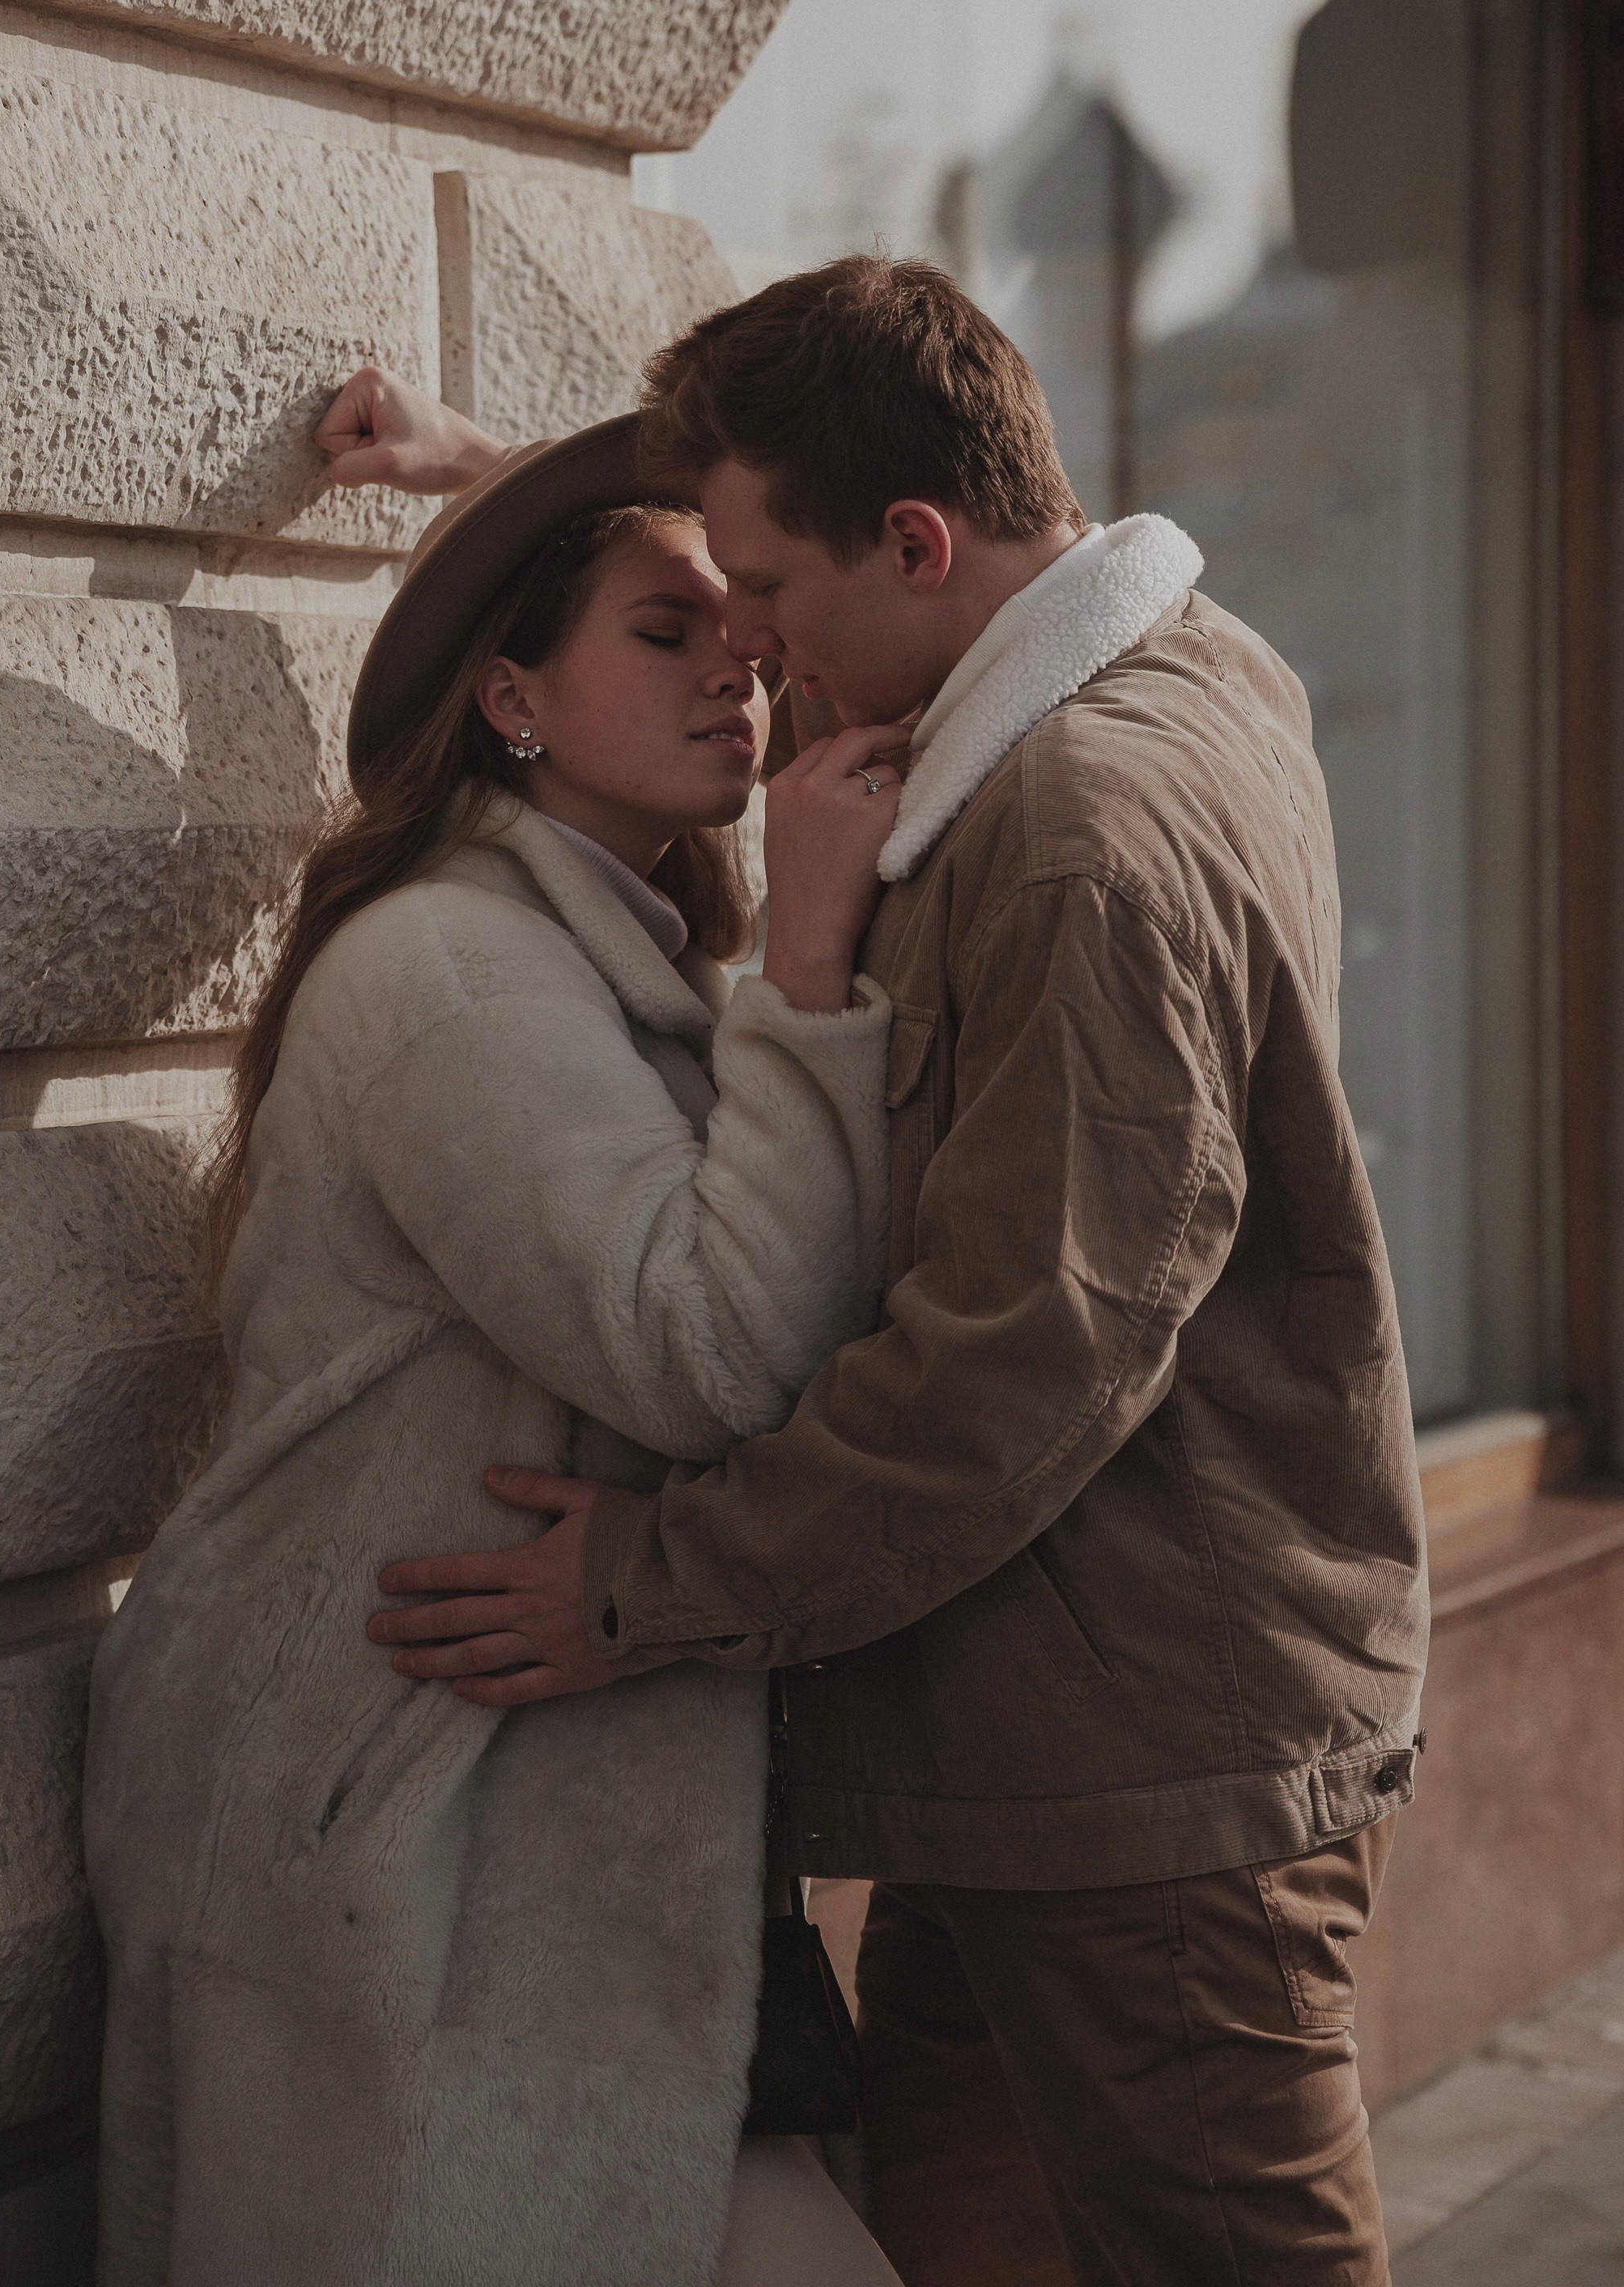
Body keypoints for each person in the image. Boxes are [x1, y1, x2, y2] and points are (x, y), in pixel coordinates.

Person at [355, 257, 1431, 2287]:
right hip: (1036, 1747)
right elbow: (836, 483)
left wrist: (645, 1585)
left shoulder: (1072, 832)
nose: (751, 655)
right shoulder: (1179, 658)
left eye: (766, 597)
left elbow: (1016, 1364)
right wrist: (493, 491)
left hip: (1148, 1792)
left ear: (922, 543)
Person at [83, 414, 911, 2286]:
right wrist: (804, 972)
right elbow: (704, 1351)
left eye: (741, 624)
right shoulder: (452, 972)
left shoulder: (617, 968)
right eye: (666, 631)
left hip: (554, 1841)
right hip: (396, 1830)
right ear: (514, 699)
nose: (740, 664)